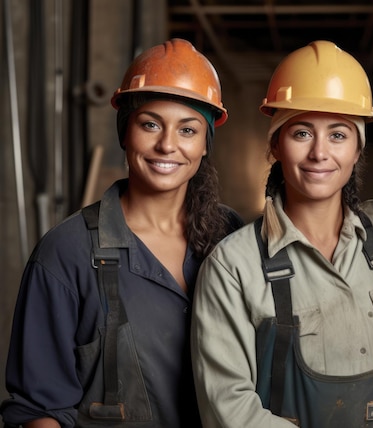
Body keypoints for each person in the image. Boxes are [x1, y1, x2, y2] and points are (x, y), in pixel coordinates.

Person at [191, 40, 373, 428]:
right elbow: (229, 409)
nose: (320, 153)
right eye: (302, 133)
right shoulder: (234, 266)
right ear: (276, 144)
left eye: (339, 135)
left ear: (358, 148)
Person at [0, 38, 243, 428]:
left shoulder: (231, 237)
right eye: (150, 124)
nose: (167, 145)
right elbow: (39, 411)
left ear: (204, 144)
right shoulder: (68, 252)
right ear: (125, 134)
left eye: (187, 129)